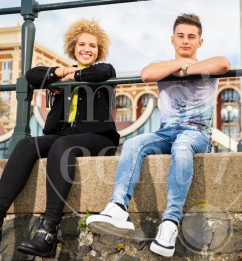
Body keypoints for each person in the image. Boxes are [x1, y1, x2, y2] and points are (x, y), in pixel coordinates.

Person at [0, 18, 119, 258]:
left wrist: (67, 78)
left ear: (99, 51)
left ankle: (48, 231)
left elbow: (99, 72)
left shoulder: (104, 71)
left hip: (97, 137)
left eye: (93, 46)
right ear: (73, 47)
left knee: (62, 145)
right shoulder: (61, 73)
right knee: (26, 144)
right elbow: (32, 76)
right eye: (82, 44)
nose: (87, 49)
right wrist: (61, 73)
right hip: (62, 135)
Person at [86, 13, 230, 257]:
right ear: (172, 40)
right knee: (133, 143)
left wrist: (184, 68)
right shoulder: (162, 65)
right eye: (181, 37)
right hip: (166, 132)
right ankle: (118, 206)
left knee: (182, 146)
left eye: (192, 37)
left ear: (200, 42)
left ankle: (170, 223)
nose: (186, 41)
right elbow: (146, 74)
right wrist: (181, 66)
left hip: (197, 134)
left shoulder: (208, 65)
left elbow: (223, 64)